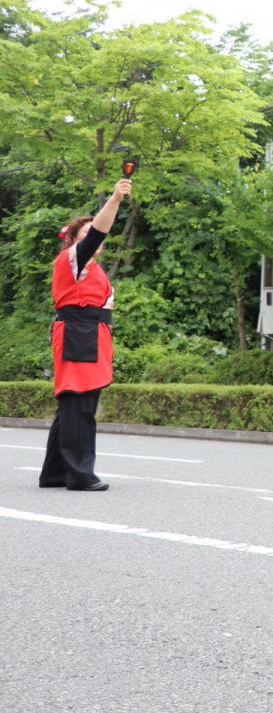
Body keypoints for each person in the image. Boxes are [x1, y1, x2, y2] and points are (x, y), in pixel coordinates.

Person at [39, 178, 132, 492]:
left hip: (87, 332)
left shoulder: (92, 267)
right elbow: (99, 230)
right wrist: (116, 200)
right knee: (79, 402)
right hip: (80, 331)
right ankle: (79, 474)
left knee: (72, 403)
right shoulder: (73, 260)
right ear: (75, 241)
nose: (97, 239)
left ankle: (54, 473)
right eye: (87, 234)